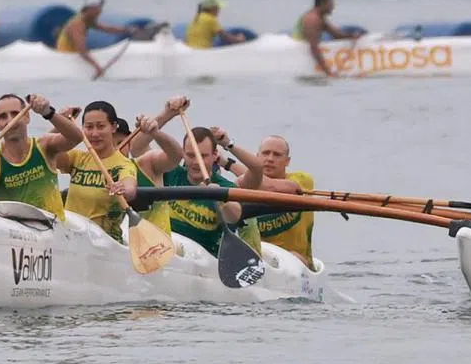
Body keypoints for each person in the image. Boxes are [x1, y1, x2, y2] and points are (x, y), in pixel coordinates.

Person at [0, 93, 84, 219]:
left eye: (15, 114)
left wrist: (48, 112)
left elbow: (76, 138)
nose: (10, 121)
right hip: (13, 236)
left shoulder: (45, 145)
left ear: (27, 117)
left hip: (51, 228)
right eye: (3, 117)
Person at [162, 126, 263, 257]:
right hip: (166, 249)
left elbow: (234, 216)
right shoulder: (169, 172)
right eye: (191, 155)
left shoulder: (226, 188)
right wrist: (165, 115)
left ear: (215, 155)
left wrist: (221, 199)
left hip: (204, 262)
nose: (196, 162)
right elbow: (137, 150)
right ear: (183, 153)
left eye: (203, 156)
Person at [54, 101, 142, 243]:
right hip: (71, 239)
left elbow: (130, 187)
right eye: (89, 127)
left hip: (105, 243)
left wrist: (123, 189)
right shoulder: (77, 158)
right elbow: (43, 150)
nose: (94, 133)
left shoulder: (123, 164)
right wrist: (57, 120)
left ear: (113, 127)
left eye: (101, 127)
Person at [226, 135, 317, 270]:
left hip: (299, 263)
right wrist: (223, 162)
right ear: (257, 157)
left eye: (277, 155)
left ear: (287, 161)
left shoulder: (303, 180)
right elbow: (252, 179)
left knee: (292, 258)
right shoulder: (245, 189)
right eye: (266, 153)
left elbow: (269, 186)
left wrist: (228, 158)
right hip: (261, 260)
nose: (270, 159)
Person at [111, 95, 189, 235]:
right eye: (108, 144)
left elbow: (176, 156)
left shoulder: (145, 164)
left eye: (118, 143)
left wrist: (164, 118)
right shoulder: (89, 167)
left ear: (128, 143)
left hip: (158, 247)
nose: (114, 149)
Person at [55, 0, 137, 79]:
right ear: (89, 9)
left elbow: (107, 28)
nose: (100, 11)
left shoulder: (87, 19)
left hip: (73, 52)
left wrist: (127, 30)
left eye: (100, 9)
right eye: (97, 9)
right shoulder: (78, 25)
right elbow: (82, 50)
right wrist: (97, 67)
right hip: (66, 55)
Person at [293, 0, 361, 77]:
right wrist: (328, 72)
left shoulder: (320, 18)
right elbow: (314, 48)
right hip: (300, 42)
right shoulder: (312, 20)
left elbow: (336, 35)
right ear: (322, 3)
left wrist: (352, 36)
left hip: (313, 39)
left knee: (352, 29)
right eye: (331, 3)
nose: (333, 6)